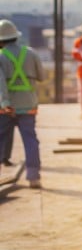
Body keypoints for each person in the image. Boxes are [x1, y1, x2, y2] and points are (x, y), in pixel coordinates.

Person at [0, 19, 46, 189]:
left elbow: (1, 84)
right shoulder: (31, 53)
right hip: (28, 104)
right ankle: (34, 177)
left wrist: (5, 102)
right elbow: (42, 77)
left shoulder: (1, 57)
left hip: (7, 107)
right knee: (30, 139)